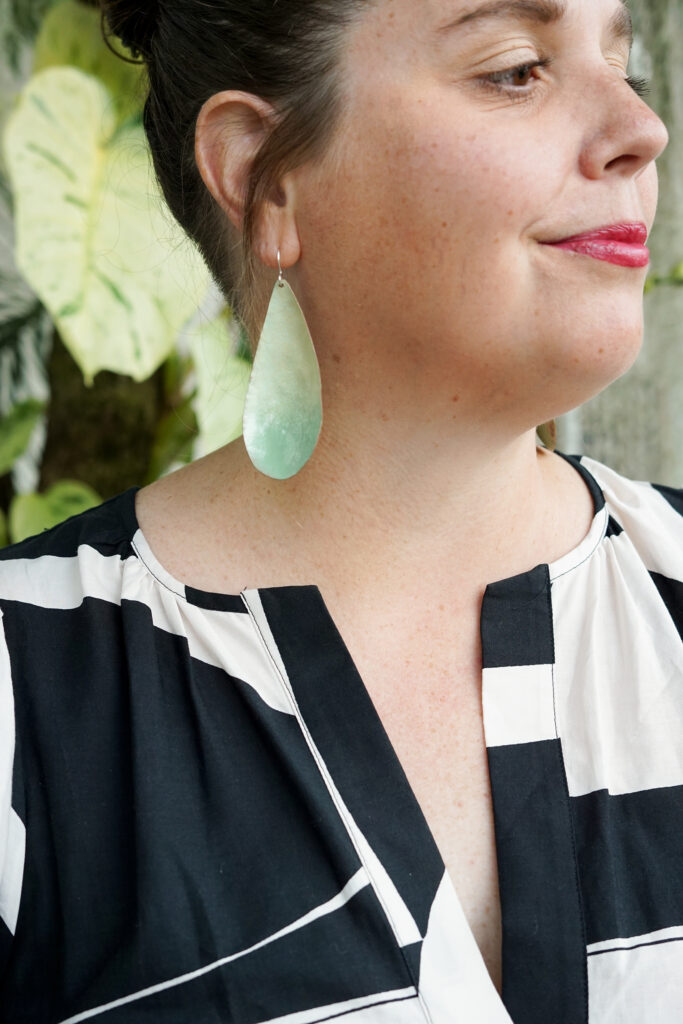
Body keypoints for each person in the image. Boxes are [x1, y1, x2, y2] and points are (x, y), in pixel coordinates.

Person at [0, 0, 681, 1020]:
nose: (640, 126)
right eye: (513, 69)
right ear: (266, 178)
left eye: (614, 56)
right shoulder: (28, 693)